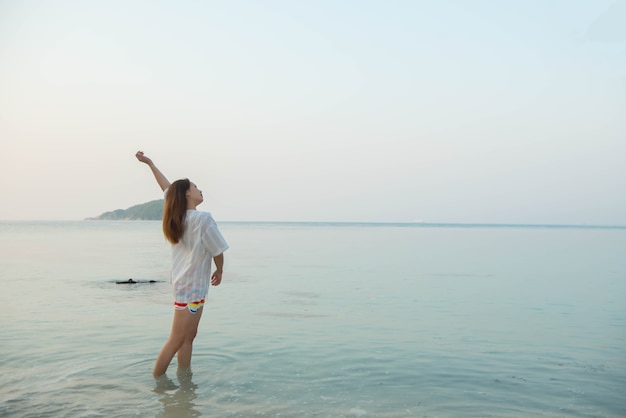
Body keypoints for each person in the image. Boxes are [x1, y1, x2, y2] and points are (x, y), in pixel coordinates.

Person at [135, 150, 229, 378]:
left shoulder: (179, 217)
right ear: (187, 194)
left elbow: (167, 189)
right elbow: (217, 250)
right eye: (196, 187)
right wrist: (220, 269)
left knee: (188, 337)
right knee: (177, 339)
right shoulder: (202, 219)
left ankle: (184, 379)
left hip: (185, 286)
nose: (200, 189)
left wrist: (150, 164)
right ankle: (157, 383)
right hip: (192, 288)